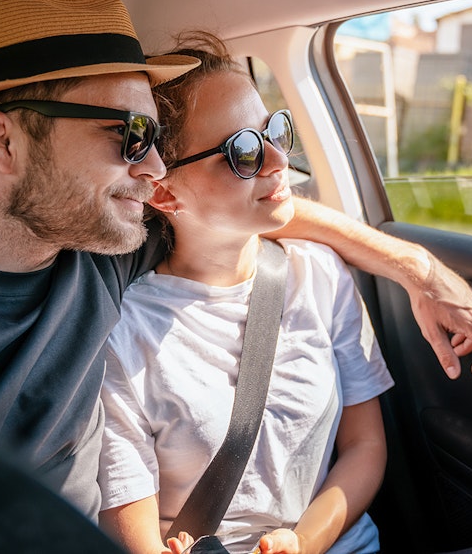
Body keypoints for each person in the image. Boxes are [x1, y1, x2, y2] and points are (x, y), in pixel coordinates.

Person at [0, 0, 472, 522]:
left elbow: (260, 211)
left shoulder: (101, 254)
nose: (155, 171)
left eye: (157, 144)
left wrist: (416, 267)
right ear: (1, 139)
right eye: (128, 138)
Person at [98, 32, 393, 554]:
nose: (279, 160)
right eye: (244, 151)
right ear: (163, 191)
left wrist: (303, 543)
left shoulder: (322, 275)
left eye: (274, 131)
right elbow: (131, 519)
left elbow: (365, 445)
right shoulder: (123, 331)